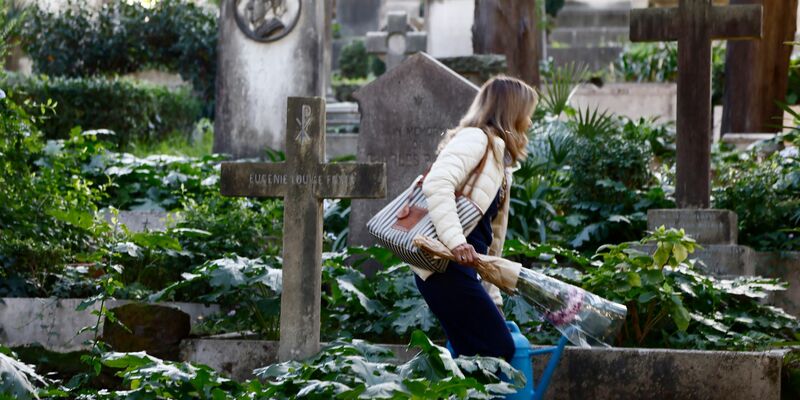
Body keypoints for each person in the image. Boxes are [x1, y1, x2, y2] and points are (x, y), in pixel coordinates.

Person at [414, 76, 538, 361]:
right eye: (527, 113)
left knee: (471, 356)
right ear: (512, 111)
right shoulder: (476, 138)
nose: (529, 122)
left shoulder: (499, 158)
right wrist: (456, 242)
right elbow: (437, 183)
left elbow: (489, 239)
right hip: (445, 266)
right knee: (498, 349)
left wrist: (492, 298)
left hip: (461, 268)